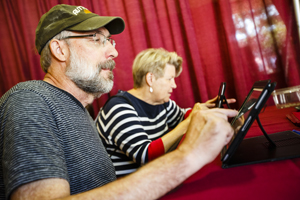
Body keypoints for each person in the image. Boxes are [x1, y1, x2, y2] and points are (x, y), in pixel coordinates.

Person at [0, 4, 238, 200]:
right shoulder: (29, 99)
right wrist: (188, 156)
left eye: (110, 41)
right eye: (96, 39)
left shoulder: (79, 110)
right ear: (60, 50)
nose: (114, 53)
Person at [96, 48, 234, 177]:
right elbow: (144, 156)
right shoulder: (119, 107)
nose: (174, 85)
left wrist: (209, 109)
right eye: (169, 79)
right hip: (128, 189)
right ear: (150, 79)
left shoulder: (161, 102)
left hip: (154, 179)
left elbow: (182, 116)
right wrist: (190, 121)